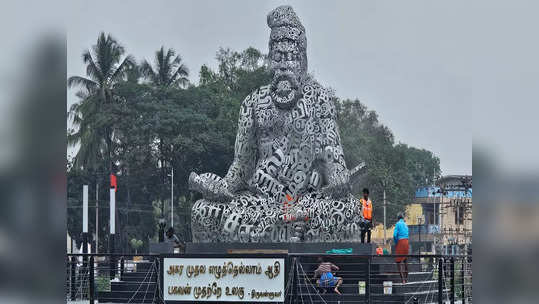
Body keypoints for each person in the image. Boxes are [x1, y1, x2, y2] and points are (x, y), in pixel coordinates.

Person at [393, 213, 409, 283]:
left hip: (401, 242)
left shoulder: (398, 224)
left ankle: (402, 280)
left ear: (398, 218)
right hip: (406, 242)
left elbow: (394, 235)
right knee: (405, 261)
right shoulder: (405, 225)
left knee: (398, 262)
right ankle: (406, 279)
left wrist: (396, 243)